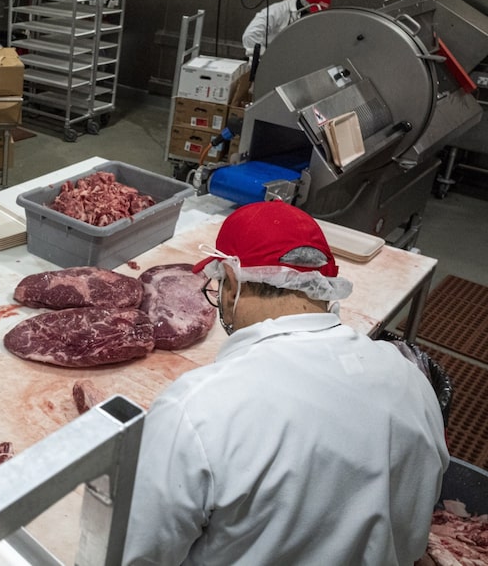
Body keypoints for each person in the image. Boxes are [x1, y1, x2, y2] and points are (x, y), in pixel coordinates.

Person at [122, 200, 449, 566]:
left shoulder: (197, 410)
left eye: (217, 286)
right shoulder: (410, 379)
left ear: (232, 280)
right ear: (321, 286)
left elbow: (134, 555)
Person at [242, 0, 331, 57]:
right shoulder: (277, 11)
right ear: (306, 3)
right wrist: (266, 58)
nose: (311, 15)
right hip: (265, 63)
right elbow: (250, 36)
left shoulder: (304, 16)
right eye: (312, 10)